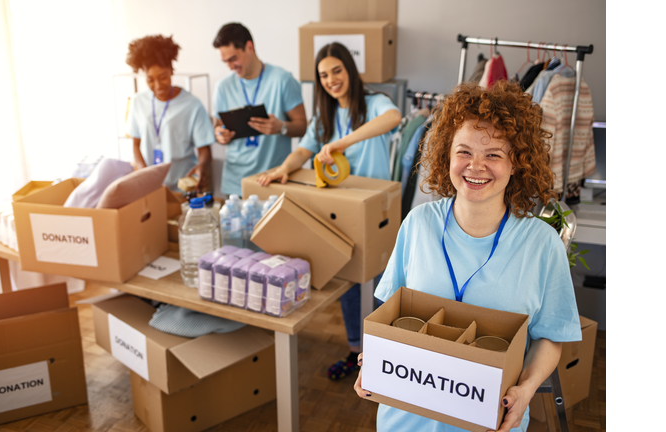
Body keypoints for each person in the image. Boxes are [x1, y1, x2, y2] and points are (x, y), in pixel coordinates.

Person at [353, 80, 582, 432]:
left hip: (487, 422)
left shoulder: (541, 245)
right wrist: (373, 360)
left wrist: (527, 388)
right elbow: (388, 316)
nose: (476, 166)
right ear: (447, 154)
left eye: (493, 155)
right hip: (405, 420)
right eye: (464, 152)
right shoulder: (417, 224)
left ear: (517, 163)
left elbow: (551, 336)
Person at [258, 42, 402, 380]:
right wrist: (284, 167)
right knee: (351, 283)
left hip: (375, 212)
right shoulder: (324, 115)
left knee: (381, 285)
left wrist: (343, 142)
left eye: (337, 70)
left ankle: (386, 360)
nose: (331, 79)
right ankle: (357, 352)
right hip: (341, 210)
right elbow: (303, 150)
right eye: (323, 75)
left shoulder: (374, 103)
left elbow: (394, 117)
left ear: (349, 70)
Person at [212, 23, 307, 196]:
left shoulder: (282, 80)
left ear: (249, 47)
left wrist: (281, 128)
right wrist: (220, 135)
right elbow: (217, 128)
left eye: (233, 59)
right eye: (225, 61)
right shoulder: (222, 87)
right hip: (235, 184)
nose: (230, 66)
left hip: (273, 180)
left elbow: (302, 127)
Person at [125, 35, 215, 192]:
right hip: (151, 187)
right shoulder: (138, 102)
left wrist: (201, 166)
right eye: (150, 80)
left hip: (183, 186)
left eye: (163, 77)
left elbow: (204, 149)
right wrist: (144, 172)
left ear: (172, 71)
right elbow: (135, 143)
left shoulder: (192, 104)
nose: (158, 85)